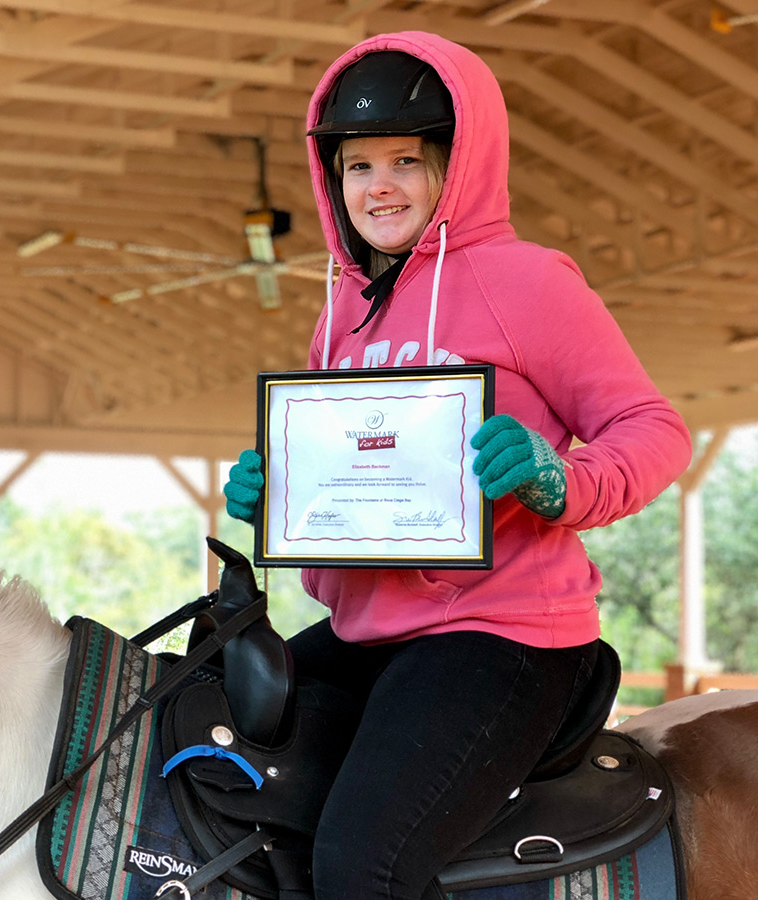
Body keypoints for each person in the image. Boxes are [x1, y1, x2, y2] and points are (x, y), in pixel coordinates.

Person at [221, 31, 692, 900]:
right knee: (216, 767)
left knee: (361, 868)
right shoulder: (344, 316)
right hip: (371, 634)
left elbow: (653, 427)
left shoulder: (530, 283)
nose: (380, 186)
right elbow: (357, 489)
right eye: (358, 167)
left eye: (406, 159)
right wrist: (279, 496)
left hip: (500, 637)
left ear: (458, 164)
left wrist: (562, 481)